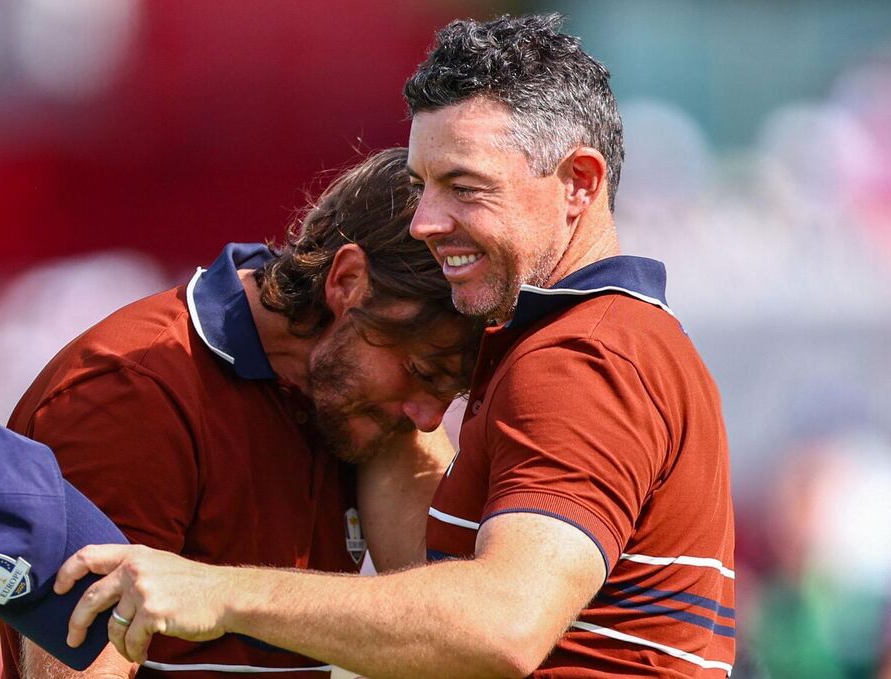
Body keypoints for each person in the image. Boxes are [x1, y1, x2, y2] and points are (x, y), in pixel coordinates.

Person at [57, 14, 736, 678]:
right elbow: (436, 594)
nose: (425, 223)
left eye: (464, 187)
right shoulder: (601, 340)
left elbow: (503, 624)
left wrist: (220, 590)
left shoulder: (583, 359)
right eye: (420, 187)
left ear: (579, 184)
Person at [1, 147, 484, 677]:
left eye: (450, 391)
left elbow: (458, 644)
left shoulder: (350, 400)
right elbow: (80, 665)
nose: (428, 418)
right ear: (347, 283)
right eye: (421, 369)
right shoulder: (132, 395)